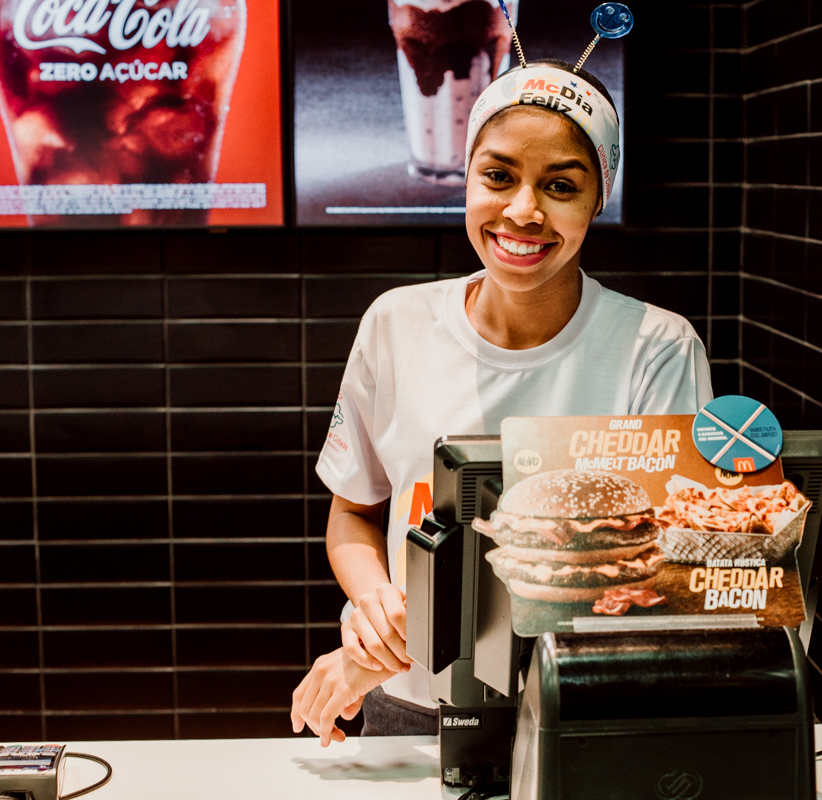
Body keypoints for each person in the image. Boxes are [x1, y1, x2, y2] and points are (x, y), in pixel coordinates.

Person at [290, 58, 715, 745]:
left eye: (560, 185)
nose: (524, 209)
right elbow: (354, 513)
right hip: (408, 711)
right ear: (467, 178)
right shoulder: (395, 324)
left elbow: (659, 580)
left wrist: (430, 630)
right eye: (498, 176)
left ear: (597, 198)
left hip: (585, 716)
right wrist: (373, 613)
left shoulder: (655, 347)